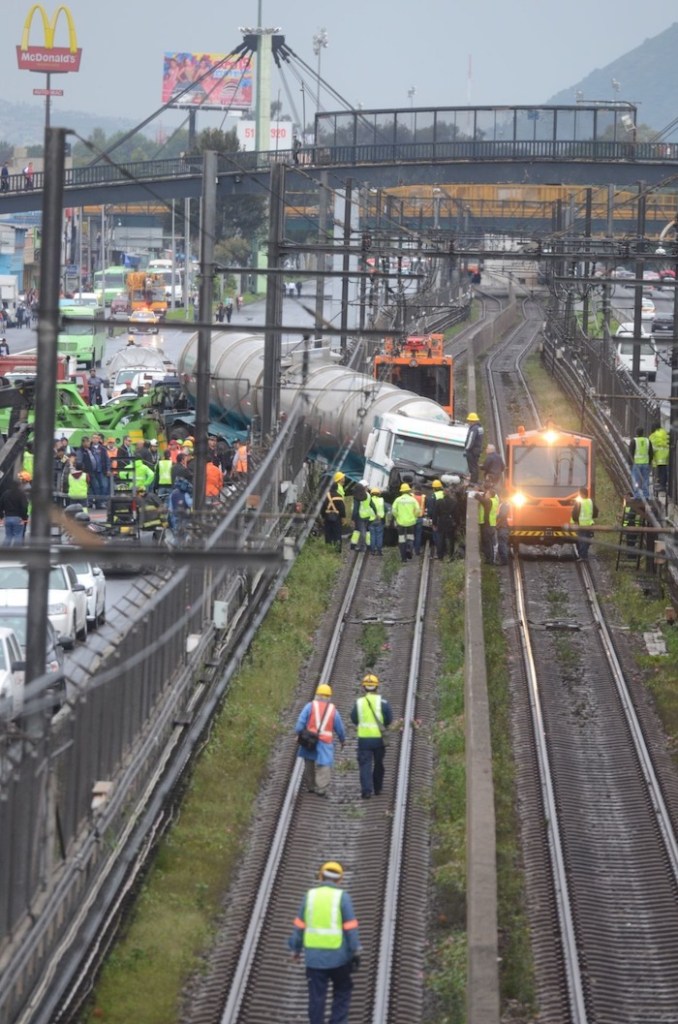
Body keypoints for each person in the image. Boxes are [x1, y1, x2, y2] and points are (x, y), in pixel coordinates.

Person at [288, 861, 362, 1024]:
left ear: (321, 876)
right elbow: (350, 927)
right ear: (340, 879)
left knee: (316, 997)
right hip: (339, 959)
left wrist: (295, 950)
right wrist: (355, 951)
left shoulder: (310, 896)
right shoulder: (343, 897)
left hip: (314, 960)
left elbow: (299, 926)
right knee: (342, 990)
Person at [294, 682, 345, 797]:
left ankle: (311, 786)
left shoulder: (310, 706)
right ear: (329, 697)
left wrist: (298, 733)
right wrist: (342, 739)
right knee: (324, 764)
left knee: (309, 762)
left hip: (309, 740)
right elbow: (339, 727)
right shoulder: (333, 710)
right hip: (325, 742)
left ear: (317, 695)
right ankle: (321, 788)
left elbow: (300, 724)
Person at [350, 673, 393, 799]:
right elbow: (389, 719)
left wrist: (362, 724)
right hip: (379, 740)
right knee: (379, 763)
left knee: (365, 764)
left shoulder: (359, 702)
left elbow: (353, 718)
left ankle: (366, 791)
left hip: (364, 740)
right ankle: (378, 788)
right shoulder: (383, 703)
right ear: (377, 687)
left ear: (363, 687)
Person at [390, 482, 420, 562]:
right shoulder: (413, 499)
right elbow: (418, 510)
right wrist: (415, 516)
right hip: (411, 522)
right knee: (410, 538)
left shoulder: (398, 500)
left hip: (401, 523)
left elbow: (393, 510)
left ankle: (403, 558)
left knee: (402, 539)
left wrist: (397, 517)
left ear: (402, 491)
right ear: (408, 491)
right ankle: (409, 550)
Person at [431, 484, 459, 561]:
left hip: (441, 521)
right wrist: (457, 523)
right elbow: (456, 514)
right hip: (450, 522)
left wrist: (434, 524)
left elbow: (435, 514)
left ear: (443, 493)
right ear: (450, 493)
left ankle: (440, 555)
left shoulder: (439, 502)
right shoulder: (454, 502)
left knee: (440, 538)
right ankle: (451, 555)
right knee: (451, 539)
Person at [570, 486, 598, 561]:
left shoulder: (579, 502)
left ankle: (582, 556)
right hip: (589, 525)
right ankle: (584, 555)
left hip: (581, 525)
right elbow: (596, 512)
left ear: (582, 494)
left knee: (582, 540)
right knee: (587, 540)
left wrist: (575, 521)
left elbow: (574, 513)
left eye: (579, 493)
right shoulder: (590, 501)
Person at [0, 475, 30, 546]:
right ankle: (16, 553)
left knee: (8, 536)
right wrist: (24, 518)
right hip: (18, 518)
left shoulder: (5, 494)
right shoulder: (21, 494)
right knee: (18, 536)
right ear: (19, 485)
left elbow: (0, 505)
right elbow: (24, 507)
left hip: (7, 517)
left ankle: (4, 552)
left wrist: (1, 516)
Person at [475, 485, 499, 565]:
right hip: (490, 524)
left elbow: (482, 500)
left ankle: (489, 560)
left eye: (487, 493)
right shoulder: (495, 500)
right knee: (489, 542)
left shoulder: (489, 501)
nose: (486, 494)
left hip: (488, 525)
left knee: (487, 542)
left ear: (490, 495)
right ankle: (490, 559)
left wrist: (476, 493)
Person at [321, 479, 345, 552]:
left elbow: (322, 508)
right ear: (337, 488)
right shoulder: (339, 496)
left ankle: (328, 548)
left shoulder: (325, 496)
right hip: (337, 517)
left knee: (328, 533)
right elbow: (342, 508)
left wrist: (322, 517)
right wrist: (343, 518)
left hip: (327, 517)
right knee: (337, 533)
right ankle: (338, 549)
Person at [629, 426, 653, 500]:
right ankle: (645, 495)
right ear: (643, 433)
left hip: (636, 464)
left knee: (636, 480)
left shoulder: (633, 441)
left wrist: (630, 464)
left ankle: (637, 495)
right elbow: (651, 453)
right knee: (645, 480)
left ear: (636, 433)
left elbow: (630, 453)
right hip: (645, 463)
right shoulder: (647, 441)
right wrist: (649, 462)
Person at [167, 477, 193, 543]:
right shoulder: (185, 494)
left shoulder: (172, 494)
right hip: (184, 517)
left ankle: (175, 546)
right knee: (185, 532)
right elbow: (190, 503)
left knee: (177, 533)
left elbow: (170, 508)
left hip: (175, 516)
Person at [649, 421, 670, 494]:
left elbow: (651, 448)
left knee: (662, 471)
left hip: (659, 455)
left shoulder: (653, 435)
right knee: (664, 470)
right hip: (666, 453)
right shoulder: (664, 432)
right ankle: (663, 484)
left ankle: (662, 485)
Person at [464, 412, 484, 483]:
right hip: (477, 451)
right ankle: (475, 481)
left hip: (472, 451)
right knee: (475, 466)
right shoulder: (480, 428)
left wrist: (466, 449)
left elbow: (471, 440)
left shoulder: (474, 429)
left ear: (472, 421)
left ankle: (473, 482)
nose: (469, 422)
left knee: (472, 468)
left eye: (469, 421)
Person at [368, 487, 386, 555]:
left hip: (371, 520)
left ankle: (373, 550)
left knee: (372, 535)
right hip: (379, 520)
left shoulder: (369, 500)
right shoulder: (381, 500)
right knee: (379, 535)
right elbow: (385, 509)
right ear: (379, 494)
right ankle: (379, 550)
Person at [496, 492, 512, 566]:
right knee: (503, 543)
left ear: (502, 497)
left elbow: (502, 515)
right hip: (504, 526)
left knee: (502, 544)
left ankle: (504, 560)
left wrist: (497, 521)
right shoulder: (508, 504)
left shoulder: (505, 505)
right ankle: (503, 559)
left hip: (503, 526)